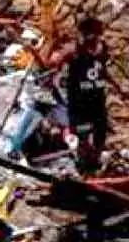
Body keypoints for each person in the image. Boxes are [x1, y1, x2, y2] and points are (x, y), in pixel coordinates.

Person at [47, 17, 125, 175]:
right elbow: (52, 62)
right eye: (88, 34)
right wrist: (55, 50)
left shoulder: (102, 48)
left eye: (96, 34)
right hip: (79, 103)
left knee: (100, 136)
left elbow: (102, 69)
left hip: (97, 100)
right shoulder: (73, 51)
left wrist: (119, 88)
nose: (92, 38)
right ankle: (83, 169)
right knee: (83, 137)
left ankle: (95, 166)